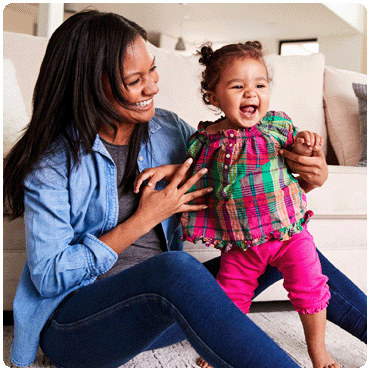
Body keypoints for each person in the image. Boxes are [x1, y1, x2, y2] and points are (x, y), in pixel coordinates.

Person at [3, 10, 366, 368]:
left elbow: (236, 190)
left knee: (285, 241)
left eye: (153, 70)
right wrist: (144, 219)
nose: (153, 87)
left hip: (161, 316)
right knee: (175, 269)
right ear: (92, 85)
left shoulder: (168, 130)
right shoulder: (52, 164)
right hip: (80, 332)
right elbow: (49, 276)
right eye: (135, 80)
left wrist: (308, 179)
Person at [134, 41, 338, 368]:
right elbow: (197, 170)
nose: (250, 93)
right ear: (213, 97)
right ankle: (220, 347)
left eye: (260, 85)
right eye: (237, 86)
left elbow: (300, 155)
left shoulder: (277, 126)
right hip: (240, 245)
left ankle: (318, 350)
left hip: (289, 236)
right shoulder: (206, 139)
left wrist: (306, 145)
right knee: (229, 299)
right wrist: (169, 169)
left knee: (310, 289)